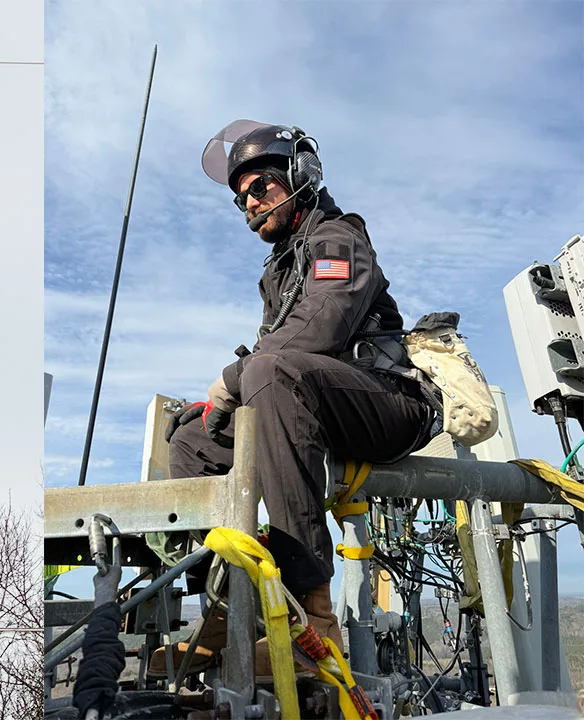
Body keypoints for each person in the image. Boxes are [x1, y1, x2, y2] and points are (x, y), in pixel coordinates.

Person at [149, 120, 437, 679]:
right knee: (192, 437)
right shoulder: (279, 271)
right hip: (312, 404)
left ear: (300, 175)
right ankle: (224, 613)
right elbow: (274, 357)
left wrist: (233, 380)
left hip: (386, 404)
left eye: (260, 187)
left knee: (266, 373)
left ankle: (313, 625)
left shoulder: (339, 239)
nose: (250, 203)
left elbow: (322, 327)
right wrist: (223, 399)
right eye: (241, 199)